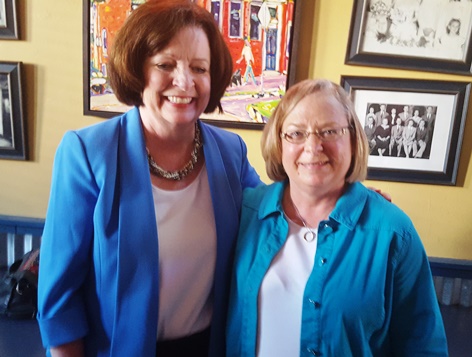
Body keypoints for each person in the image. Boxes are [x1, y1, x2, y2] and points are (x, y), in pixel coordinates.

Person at [36, 1, 262, 356]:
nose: (184, 82)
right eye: (165, 65)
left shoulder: (231, 152)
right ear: (137, 70)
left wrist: (348, 201)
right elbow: (59, 297)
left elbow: (278, 215)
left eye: (199, 68)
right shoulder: (86, 153)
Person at [226, 79, 447, 356]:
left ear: (353, 140)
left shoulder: (392, 232)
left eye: (329, 131)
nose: (313, 146)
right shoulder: (245, 213)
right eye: (296, 133)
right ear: (279, 143)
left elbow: (423, 346)